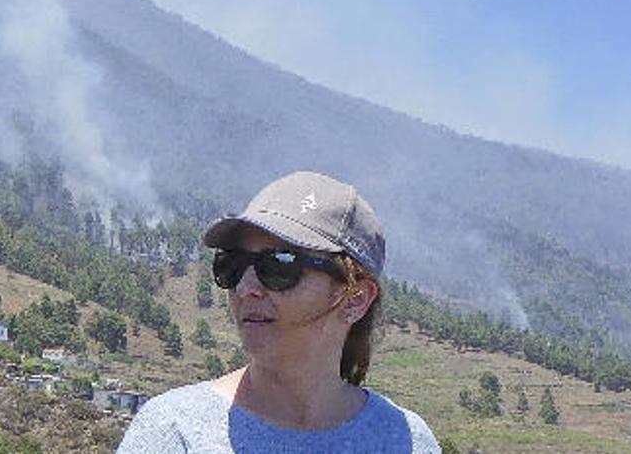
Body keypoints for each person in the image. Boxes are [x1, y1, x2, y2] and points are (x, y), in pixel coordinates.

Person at [117, 171, 439, 453]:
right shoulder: (173, 431)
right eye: (233, 265)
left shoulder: (404, 440)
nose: (245, 288)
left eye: (279, 266)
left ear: (355, 298)